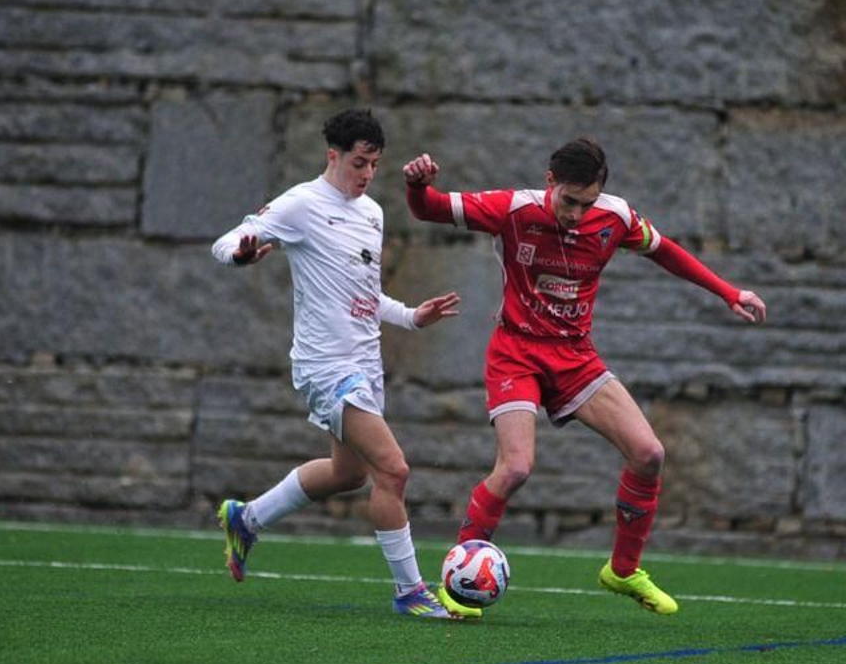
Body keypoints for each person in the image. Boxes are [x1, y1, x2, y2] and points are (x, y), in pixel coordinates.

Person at [403, 137, 766, 618]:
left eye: (587, 203)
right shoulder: (513, 209)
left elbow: (665, 251)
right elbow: (429, 209)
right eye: (569, 201)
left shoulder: (615, 218)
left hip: (576, 358)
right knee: (515, 469)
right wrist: (416, 185)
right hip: (516, 354)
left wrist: (728, 291)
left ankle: (622, 571)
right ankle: (458, 577)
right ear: (550, 182)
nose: (576, 214)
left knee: (649, 453)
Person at [211, 108, 463, 620]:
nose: (367, 174)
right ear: (334, 156)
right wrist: (241, 253)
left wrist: (413, 316)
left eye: (374, 164)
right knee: (393, 469)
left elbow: (367, 295)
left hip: (365, 365)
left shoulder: (372, 213)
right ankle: (410, 591)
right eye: (359, 163)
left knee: (349, 474)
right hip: (326, 368)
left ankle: (247, 518)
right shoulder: (302, 204)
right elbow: (225, 243)